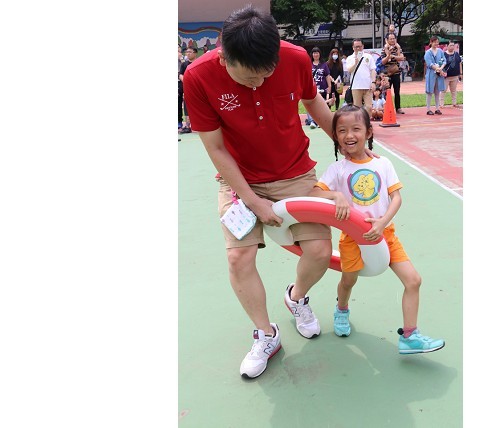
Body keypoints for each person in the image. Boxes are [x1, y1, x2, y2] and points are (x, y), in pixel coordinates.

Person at [182, 5, 337, 379]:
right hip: (239, 178)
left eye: (267, 74)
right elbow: (215, 148)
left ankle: (296, 298)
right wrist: (252, 201)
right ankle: (267, 334)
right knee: (239, 258)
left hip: (295, 171)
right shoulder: (198, 76)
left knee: (319, 252)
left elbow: (314, 102)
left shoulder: (295, 58)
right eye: (250, 77)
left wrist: (353, 149)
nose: (259, 83)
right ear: (224, 57)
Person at [308, 105, 445, 354]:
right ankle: (342, 310)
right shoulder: (337, 169)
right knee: (348, 280)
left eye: (356, 129)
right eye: (342, 130)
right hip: (353, 237)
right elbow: (315, 193)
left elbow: (396, 197)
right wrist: (336, 195)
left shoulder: (383, 163)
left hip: (385, 234)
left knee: (413, 280)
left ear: (368, 132)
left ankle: (410, 336)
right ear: (335, 136)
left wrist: (382, 222)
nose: (349, 135)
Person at [345, 39, 377, 112]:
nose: (358, 48)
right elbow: (349, 70)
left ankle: (368, 119)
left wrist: (373, 82)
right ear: (353, 47)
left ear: (363, 46)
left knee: (369, 107)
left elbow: (373, 70)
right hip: (356, 86)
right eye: (356, 47)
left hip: (367, 86)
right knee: (357, 108)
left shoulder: (368, 56)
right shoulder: (350, 58)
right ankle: (359, 120)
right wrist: (355, 63)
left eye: (359, 46)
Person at [306, 47, 332, 129]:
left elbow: (327, 76)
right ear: (312, 54)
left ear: (319, 54)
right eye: (314, 53)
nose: (315, 55)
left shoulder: (324, 65)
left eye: (317, 53)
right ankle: (312, 121)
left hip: (322, 88)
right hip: (312, 88)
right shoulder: (309, 64)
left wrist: (329, 86)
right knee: (310, 104)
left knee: (321, 104)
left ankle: (319, 121)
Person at [381, 33, 405, 114]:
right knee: (386, 91)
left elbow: (401, 58)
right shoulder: (384, 49)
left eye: (393, 38)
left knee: (397, 91)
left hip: (396, 73)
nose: (392, 40)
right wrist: (388, 56)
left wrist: (393, 56)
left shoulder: (398, 48)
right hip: (387, 74)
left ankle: (398, 108)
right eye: (390, 39)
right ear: (387, 40)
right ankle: (387, 108)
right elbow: (383, 62)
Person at [424, 36, 446, 115]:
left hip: (439, 74)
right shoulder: (428, 52)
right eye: (435, 42)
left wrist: (441, 68)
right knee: (429, 91)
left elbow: (444, 60)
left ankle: (437, 108)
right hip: (431, 74)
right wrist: (437, 68)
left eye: (437, 42)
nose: (436, 44)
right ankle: (428, 109)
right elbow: (429, 63)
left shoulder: (440, 51)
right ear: (431, 42)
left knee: (437, 91)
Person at [179, 46, 198, 134]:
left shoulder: (199, 62)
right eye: (187, 52)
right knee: (187, 106)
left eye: (190, 52)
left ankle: (200, 125)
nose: (188, 54)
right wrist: (187, 82)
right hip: (187, 89)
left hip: (198, 88)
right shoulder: (184, 64)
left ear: (195, 53)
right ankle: (187, 126)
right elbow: (180, 75)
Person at [440, 41, 463, 109]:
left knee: (454, 90)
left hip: (455, 76)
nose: (452, 47)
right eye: (450, 45)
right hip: (446, 77)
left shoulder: (456, 54)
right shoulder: (444, 54)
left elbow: (459, 63)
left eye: (453, 45)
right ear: (447, 46)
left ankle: (454, 103)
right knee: (443, 90)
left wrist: (461, 73)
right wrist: (442, 72)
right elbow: (441, 64)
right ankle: (441, 104)